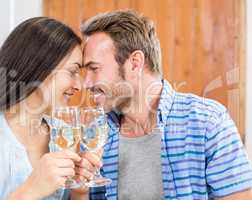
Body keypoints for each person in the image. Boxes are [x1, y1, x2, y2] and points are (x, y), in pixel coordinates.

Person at [81, 10, 252, 199]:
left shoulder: (208, 122)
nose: (86, 83)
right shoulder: (94, 134)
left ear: (135, 63)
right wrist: (78, 190)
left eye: (94, 69)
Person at [0, 17, 99, 200]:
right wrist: (32, 189)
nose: (80, 86)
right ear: (39, 67)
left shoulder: (64, 134)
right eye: (72, 71)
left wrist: (79, 192)